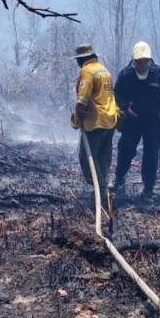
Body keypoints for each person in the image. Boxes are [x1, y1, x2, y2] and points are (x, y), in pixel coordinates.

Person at [112, 41, 160, 205]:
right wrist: (125, 107)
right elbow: (117, 93)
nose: (141, 65)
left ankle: (148, 189)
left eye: (144, 62)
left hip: (152, 121)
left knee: (151, 154)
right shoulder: (125, 74)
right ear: (133, 60)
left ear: (149, 60)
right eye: (138, 62)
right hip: (132, 120)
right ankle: (120, 177)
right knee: (125, 149)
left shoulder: (159, 74)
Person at [69, 43, 119, 208]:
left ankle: (101, 191)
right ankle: (104, 189)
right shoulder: (104, 70)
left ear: (82, 59)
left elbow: (82, 100)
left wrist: (76, 121)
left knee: (87, 158)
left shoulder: (87, 71)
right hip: (110, 120)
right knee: (103, 157)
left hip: (95, 122)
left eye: (78, 60)